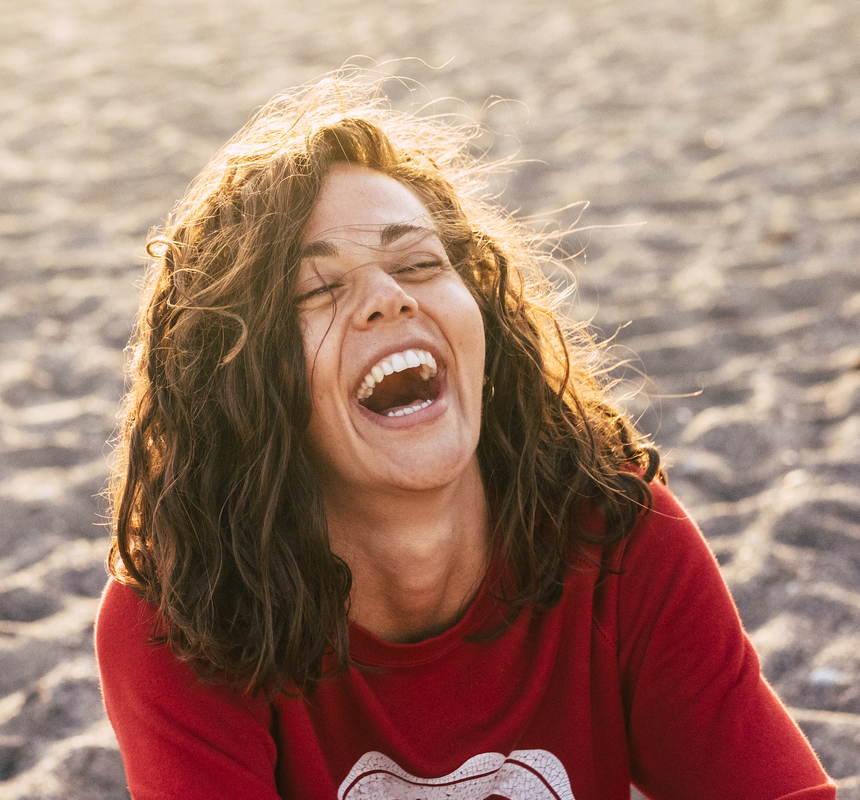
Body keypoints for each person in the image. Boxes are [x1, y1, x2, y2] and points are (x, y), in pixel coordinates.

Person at [94, 72, 836, 799]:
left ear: (480, 312)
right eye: (318, 289)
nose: (388, 297)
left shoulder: (617, 538)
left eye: (418, 263)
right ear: (244, 385)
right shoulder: (184, 619)